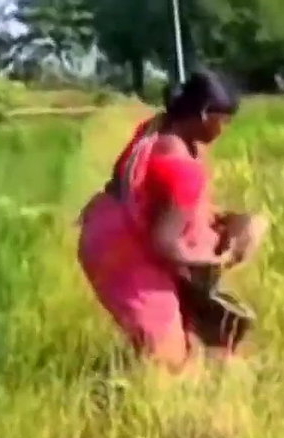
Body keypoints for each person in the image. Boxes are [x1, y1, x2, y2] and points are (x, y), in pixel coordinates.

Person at [76, 69, 268, 371]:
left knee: (187, 337)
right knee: (168, 362)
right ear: (205, 114)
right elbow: (164, 242)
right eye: (225, 119)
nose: (225, 128)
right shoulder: (181, 168)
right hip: (123, 254)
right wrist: (214, 261)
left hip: (111, 226)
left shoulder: (159, 129)